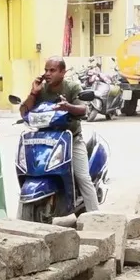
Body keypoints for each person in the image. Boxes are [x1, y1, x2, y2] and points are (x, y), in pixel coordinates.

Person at [19, 57, 99, 213]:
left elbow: (84, 109)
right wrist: (33, 93)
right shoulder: (41, 90)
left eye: (52, 70)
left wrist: (68, 107)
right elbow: (23, 112)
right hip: (45, 140)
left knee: (83, 178)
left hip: (71, 139)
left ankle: (96, 218)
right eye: (46, 70)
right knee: (30, 173)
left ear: (63, 72)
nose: (48, 74)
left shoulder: (72, 87)